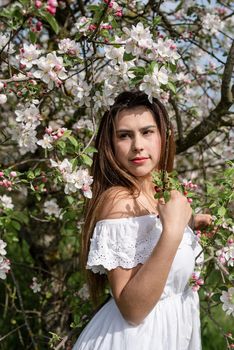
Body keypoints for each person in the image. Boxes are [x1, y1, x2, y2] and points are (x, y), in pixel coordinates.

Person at [72, 90, 212, 350]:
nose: (138, 145)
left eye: (147, 132)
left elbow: (146, 245)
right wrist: (172, 233)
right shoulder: (119, 202)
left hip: (170, 334)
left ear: (163, 136)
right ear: (111, 144)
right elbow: (132, 309)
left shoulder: (155, 192)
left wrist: (189, 225)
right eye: (125, 135)